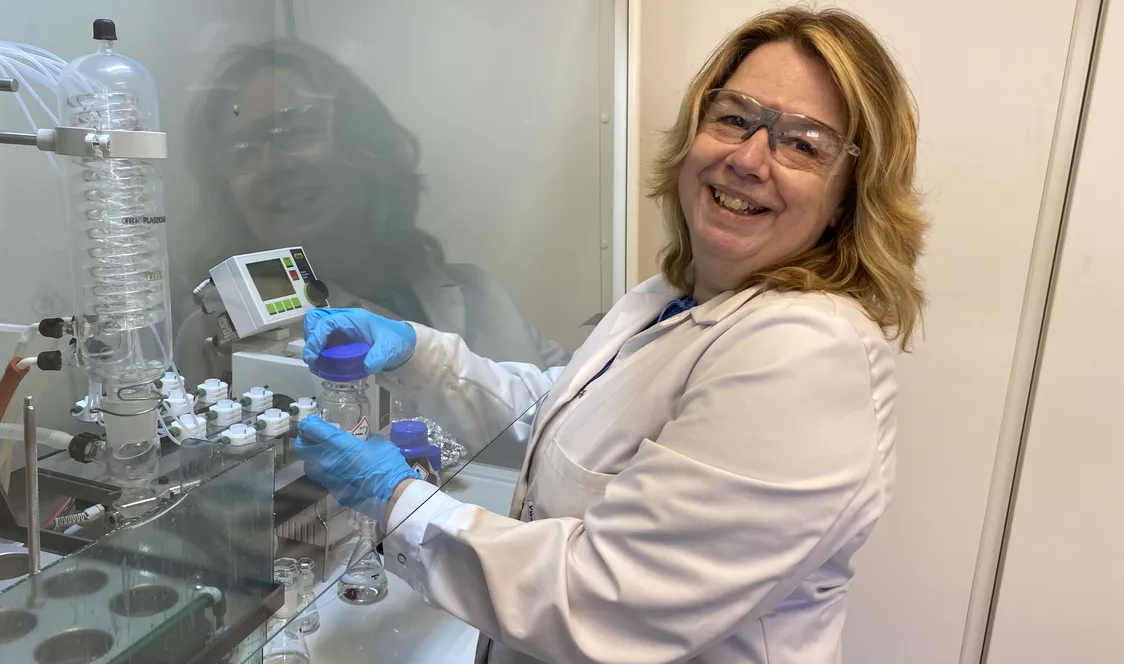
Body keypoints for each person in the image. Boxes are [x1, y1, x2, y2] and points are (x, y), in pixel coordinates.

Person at [294, 7, 925, 664]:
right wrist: (419, 354)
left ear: (850, 195)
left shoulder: (806, 353)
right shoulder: (670, 299)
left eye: (802, 143)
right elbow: (560, 419)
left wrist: (395, 500)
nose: (748, 157)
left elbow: (612, 603)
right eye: (734, 117)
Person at [172, 39, 569, 388]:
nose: (273, 166)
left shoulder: (477, 294)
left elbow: (572, 400)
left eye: (295, 132)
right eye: (243, 153)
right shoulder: (219, 338)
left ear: (364, 144)